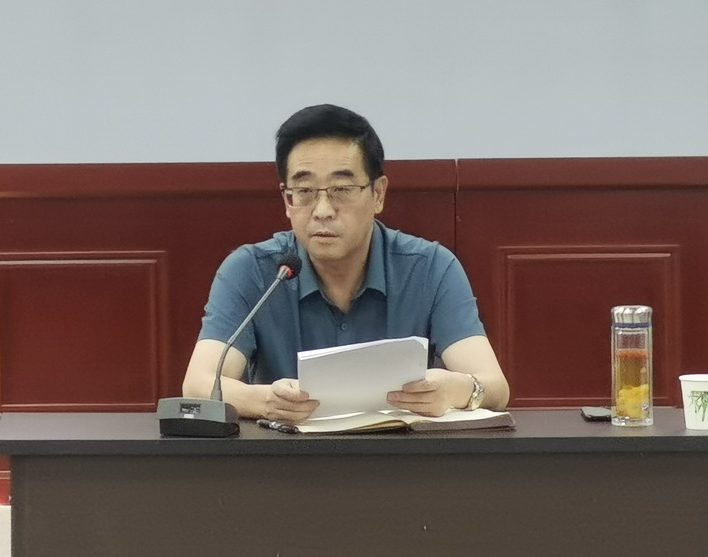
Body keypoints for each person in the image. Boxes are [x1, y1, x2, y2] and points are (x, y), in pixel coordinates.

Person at [183, 104, 509, 422]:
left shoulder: (430, 268)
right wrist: (267, 402)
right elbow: (198, 385)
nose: (323, 210)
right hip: (284, 455)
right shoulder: (252, 270)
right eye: (305, 190)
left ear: (378, 194)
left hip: (404, 455)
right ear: (287, 199)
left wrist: (456, 390)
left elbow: (495, 386)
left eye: (341, 189)